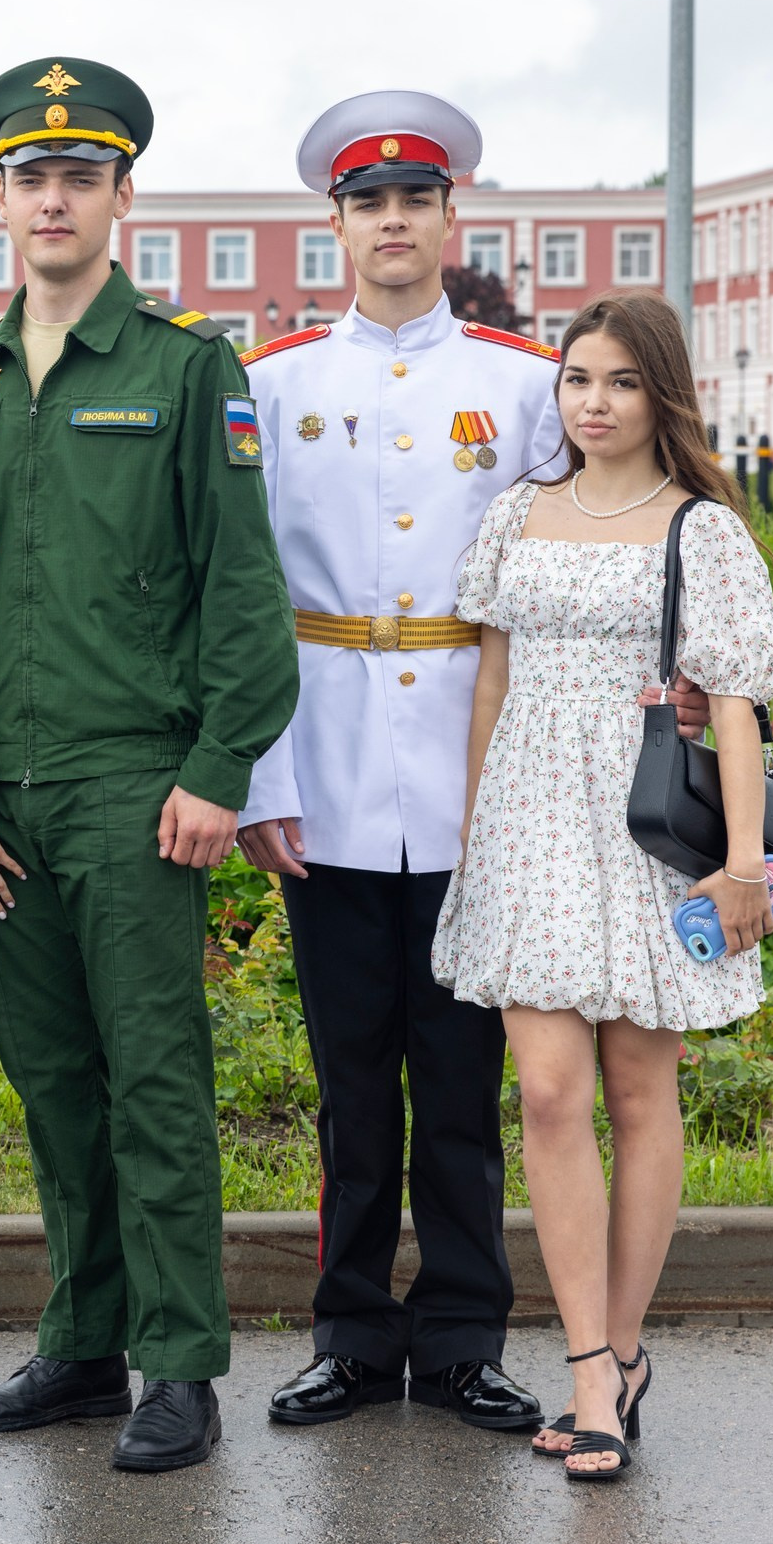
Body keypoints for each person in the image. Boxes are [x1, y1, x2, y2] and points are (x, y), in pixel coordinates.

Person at [0, 59, 299, 1473]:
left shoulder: (188, 370)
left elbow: (244, 596)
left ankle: (181, 1362)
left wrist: (218, 768)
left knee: (153, 1079)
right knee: (53, 1080)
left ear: (121, 196)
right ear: (4, 200)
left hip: (136, 790)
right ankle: (83, 1345)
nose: (56, 198)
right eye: (34, 177)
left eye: (82, 175)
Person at [236, 91, 565, 1434]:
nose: (391, 222)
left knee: (465, 1083)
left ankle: (465, 1337)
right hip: (324, 763)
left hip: (471, 781)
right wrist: (263, 780)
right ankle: (355, 1334)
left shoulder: (525, 382)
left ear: (449, 216)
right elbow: (241, 597)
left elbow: (549, 584)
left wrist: (536, 789)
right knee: (352, 1080)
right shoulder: (272, 384)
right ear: (336, 224)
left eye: (413, 201)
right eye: (366, 203)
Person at [433, 289, 773, 1482]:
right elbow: (488, 684)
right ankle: (586, 1363)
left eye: (620, 381)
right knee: (545, 1092)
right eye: (576, 379)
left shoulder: (703, 531)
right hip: (529, 821)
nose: (593, 402)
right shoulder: (517, 513)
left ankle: (623, 1353)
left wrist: (743, 864)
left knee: (639, 1092)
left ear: (661, 394)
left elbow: (731, 705)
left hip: (647, 829)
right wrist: (476, 826)